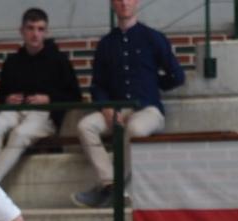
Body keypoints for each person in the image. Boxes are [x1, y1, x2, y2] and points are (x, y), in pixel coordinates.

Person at [71, 0, 184, 208]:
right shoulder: (106, 44)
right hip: (116, 109)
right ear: (112, 4)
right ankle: (111, 185)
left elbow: (177, 76)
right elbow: (97, 85)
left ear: (137, 2)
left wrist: (152, 84)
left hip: (147, 110)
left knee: (134, 129)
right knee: (85, 126)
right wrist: (106, 107)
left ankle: (114, 187)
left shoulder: (153, 38)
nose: (124, 3)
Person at [0, 7, 82, 183]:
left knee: (20, 134)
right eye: (30, 28)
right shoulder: (12, 61)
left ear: (46, 32)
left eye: (40, 29)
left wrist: (49, 99)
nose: (35, 34)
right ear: (21, 31)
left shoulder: (59, 59)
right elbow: (0, 94)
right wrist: (7, 98)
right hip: (15, 111)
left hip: (44, 114)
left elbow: (75, 95)